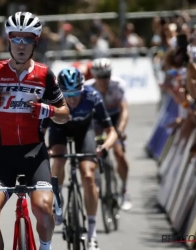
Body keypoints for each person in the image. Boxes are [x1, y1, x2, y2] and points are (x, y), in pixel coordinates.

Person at [0, 12, 70, 250]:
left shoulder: (44, 75)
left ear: (35, 42)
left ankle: (45, 247)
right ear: (8, 40)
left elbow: (64, 114)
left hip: (35, 155)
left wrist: (45, 110)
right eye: (15, 39)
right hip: (4, 156)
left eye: (27, 39)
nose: (20, 45)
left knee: (42, 207)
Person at [44, 67, 118, 250]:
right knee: (59, 160)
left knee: (87, 175)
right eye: (67, 94)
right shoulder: (51, 99)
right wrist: (43, 149)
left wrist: (105, 147)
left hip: (84, 131)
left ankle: (92, 233)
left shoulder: (92, 96)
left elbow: (112, 132)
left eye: (76, 93)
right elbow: (41, 132)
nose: (72, 99)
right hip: (59, 130)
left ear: (83, 88)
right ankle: (58, 201)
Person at [85, 58, 132, 211]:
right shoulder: (87, 88)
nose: (104, 80)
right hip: (97, 122)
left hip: (114, 120)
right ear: (94, 76)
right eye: (100, 77)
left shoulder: (117, 85)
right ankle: (97, 181)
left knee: (119, 153)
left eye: (107, 76)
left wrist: (121, 129)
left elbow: (124, 110)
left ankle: (124, 190)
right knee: (95, 152)